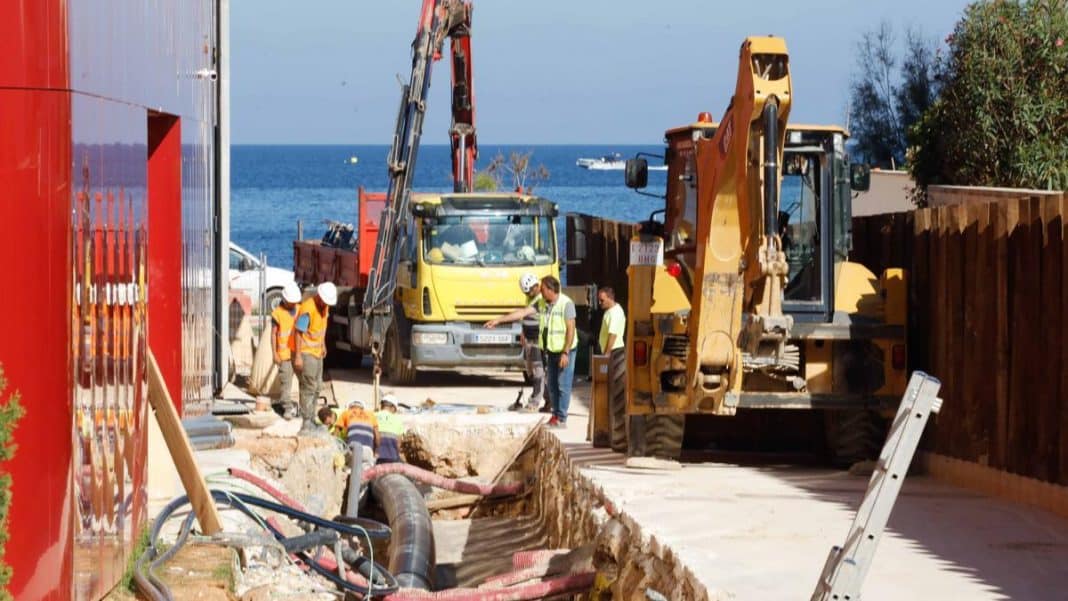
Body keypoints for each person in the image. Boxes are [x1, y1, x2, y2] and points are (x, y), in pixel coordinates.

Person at [485, 273, 550, 412]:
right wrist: (523, 332)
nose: (530, 293)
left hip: (539, 340)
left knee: (539, 372)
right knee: (532, 372)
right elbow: (525, 316)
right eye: (527, 292)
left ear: (537, 286)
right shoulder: (531, 297)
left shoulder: (541, 299)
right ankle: (548, 400)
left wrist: (498, 320)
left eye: (531, 290)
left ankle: (535, 402)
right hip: (529, 338)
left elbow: (521, 314)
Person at [293, 281, 337, 434]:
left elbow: (322, 327)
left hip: (317, 352)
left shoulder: (324, 307)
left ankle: (311, 418)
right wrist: (298, 356)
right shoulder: (308, 308)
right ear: (319, 296)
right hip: (306, 352)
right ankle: (306, 422)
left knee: (317, 386)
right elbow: (299, 332)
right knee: (308, 387)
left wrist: (323, 344)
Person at [539, 275, 577, 427]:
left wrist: (565, 352)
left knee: (563, 385)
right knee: (552, 385)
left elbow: (571, 329)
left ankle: (561, 418)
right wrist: (500, 320)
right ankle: (555, 415)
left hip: (564, 351)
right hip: (552, 350)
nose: (541, 293)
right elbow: (524, 312)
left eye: (543, 290)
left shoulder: (566, 303)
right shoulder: (543, 303)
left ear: (550, 289)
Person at [271, 282, 303, 419]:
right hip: (284, 355)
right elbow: (273, 334)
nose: (293, 304)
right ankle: (287, 408)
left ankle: (304, 409)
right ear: (285, 299)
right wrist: (275, 353)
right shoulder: (277, 314)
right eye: (291, 302)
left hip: (299, 353)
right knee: (286, 384)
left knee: (305, 381)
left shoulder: (301, 310)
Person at [335, 398, 379, 467]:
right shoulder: (371, 415)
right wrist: (376, 451)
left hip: (353, 449)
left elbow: (336, 434)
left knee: (349, 470)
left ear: (349, 407)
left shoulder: (346, 413)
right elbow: (377, 437)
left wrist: (336, 448)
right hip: (368, 449)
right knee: (367, 474)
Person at [375, 393, 406, 464]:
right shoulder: (398, 420)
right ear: (393, 407)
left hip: (375, 457)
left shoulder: (373, 416)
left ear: (382, 405)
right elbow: (398, 445)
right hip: (392, 458)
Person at [597, 287, 626, 355]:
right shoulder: (611, 310)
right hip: (612, 351)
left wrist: (606, 354)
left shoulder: (615, 313)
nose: (599, 302)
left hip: (614, 351)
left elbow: (613, 335)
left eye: (602, 300)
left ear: (610, 298)